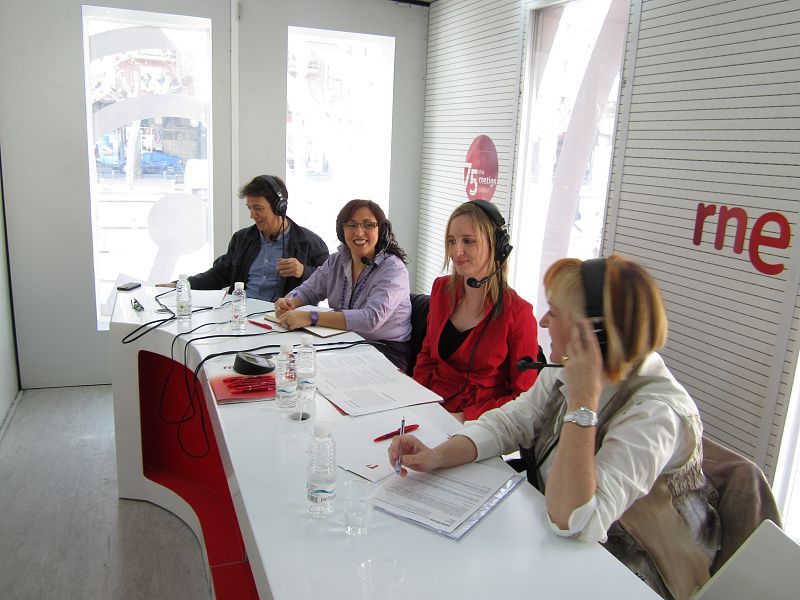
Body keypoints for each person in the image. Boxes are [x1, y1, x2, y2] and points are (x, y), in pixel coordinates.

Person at [390, 255, 720, 600]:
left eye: (556, 313)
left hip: (636, 574)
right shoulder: (570, 366)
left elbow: (576, 520)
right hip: (561, 548)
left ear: (596, 336)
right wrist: (436, 455)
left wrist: (582, 402)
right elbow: (512, 422)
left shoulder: (656, 415)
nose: (544, 322)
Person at [412, 200, 539, 422]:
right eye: (451, 241)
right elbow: (427, 355)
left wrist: (465, 417)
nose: (456, 251)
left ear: (497, 245)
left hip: (478, 423)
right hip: (429, 407)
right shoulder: (442, 289)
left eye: (468, 241)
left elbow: (523, 397)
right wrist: (416, 399)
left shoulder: (518, 313)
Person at [274, 199, 412, 371]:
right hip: (346, 341)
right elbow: (308, 290)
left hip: (386, 350)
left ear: (381, 230)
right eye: (351, 225)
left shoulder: (393, 269)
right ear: (342, 230)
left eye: (368, 225)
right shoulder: (336, 260)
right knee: (295, 366)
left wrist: (310, 317)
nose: (359, 232)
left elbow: (371, 319)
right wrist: (289, 301)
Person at [157, 174, 329, 300]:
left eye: (258, 208)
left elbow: (329, 283)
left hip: (285, 320)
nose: (252, 215)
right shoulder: (242, 239)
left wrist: (303, 271)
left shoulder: (310, 243)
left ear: (279, 207)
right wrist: (181, 285)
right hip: (241, 316)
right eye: (249, 208)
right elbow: (218, 275)